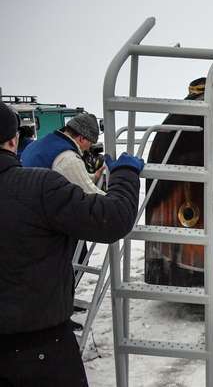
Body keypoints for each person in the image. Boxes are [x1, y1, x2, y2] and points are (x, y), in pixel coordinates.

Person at [0, 101, 144, 386]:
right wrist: (124, 177)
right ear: (13, 139)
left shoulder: (44, 149)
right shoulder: (57, 167)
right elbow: (105, 213)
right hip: (39, 347)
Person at [22, 112, 105, 195]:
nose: (88, 148)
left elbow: (73, 175)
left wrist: (95, 177)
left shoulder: (38, 144)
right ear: (82, 138)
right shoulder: (68, 158)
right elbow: (91, 194)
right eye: (90, 143)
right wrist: (115, 200)